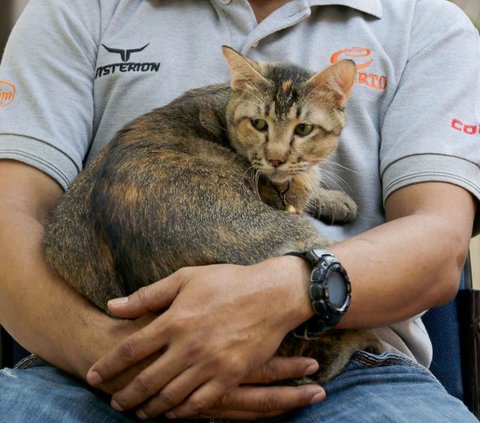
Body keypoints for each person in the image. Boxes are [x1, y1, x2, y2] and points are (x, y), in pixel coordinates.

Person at [0, 0, 479, 421]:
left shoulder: (426, 24)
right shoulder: (78, 9)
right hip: (97, 361)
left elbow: (440, 244)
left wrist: (288, 291)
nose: (275, 153)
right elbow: (10, 216)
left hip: (339, 370)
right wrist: (113, 355)